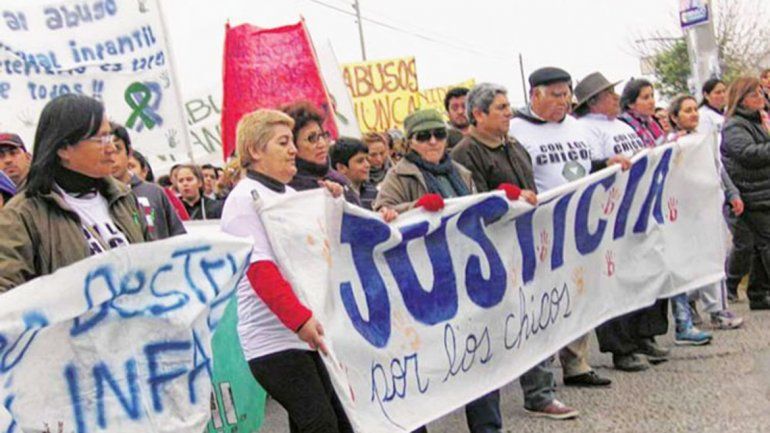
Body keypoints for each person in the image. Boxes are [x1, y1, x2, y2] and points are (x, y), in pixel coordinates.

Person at [220, 109, 394, 433]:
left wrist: (337, 206)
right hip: (273, 340)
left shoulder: (288, 195)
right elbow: (260, 270)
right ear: (256, 150)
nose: (293, 150)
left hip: (309, 332)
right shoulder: (243, 199)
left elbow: (321, 251)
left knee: (336, 421)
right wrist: (300, 320)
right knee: (321, 424)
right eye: (283, 142)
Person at [376, 108, 511, 433]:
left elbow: (478, 211)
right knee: (424, 365)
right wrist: (415, 208)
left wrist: (509, 201)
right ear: (410, 142)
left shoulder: (461, 173)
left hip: (466, 277)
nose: (433, 141)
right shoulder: (399, 176)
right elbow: (382, 214)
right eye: (424, 136)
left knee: (479, 356)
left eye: (438, 134)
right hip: (425, 285)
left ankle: (488, 429)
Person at [452, 83, 579, 420]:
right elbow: (472, 204)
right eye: (501, 108)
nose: (510, 113)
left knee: (535, 317)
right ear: (478, 115)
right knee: (499, 326)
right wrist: (508, 199)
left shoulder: (516, 146)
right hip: (492, 253)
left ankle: (540, 392)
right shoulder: (465, 154)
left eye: (509, 106)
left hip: (526, 247)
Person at [509, 67, 615, 388]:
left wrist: (607, 166)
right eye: (555, 94)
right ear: (534, 96)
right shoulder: (516, 130)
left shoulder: (578, 128)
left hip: (579, 222)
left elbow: (591, 166)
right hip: (540, 227)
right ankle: (541, 367)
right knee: (546, 295)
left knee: (579, 291)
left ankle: (576, 362)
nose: (564, 101)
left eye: (567, 93)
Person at [0, 94, 148, 291]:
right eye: (100, 139)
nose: (111, 148)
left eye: (110, 137)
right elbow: (8, 295)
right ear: (63, 149)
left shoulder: (124, 198)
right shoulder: (21, 215)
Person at [572, 72, 665, 371]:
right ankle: (621, 347)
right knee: (614, 279)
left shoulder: (621, 124)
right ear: (594, 102)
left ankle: (643, 334)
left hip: (637, 206)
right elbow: (591, 169)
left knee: (643, 271)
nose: (615, 97)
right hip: (611, 212)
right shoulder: (586, 129)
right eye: (609, 93)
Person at [666, 95, 744, 340]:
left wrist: (732, 193)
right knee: (689, 259)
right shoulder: (670, 144)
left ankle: (717, 309)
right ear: (674, 117)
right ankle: (688, 304)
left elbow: (718, 169)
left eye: (694, 110)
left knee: (714, 255)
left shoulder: (705, 140)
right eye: (686, 111)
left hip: (709, 207)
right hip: (684, 211)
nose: (693, 114)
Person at [721, 76, 770, 310]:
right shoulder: (734, 125)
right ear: (741, 100)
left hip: (763, 189)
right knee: (764, 243)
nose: (760, 97)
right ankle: (736, 287)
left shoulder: (759, 119)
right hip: (751, 192)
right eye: (755, 94)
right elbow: (748, 154)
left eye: (761, 92)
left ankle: (758, 294)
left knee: (760, 247)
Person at [110, 122, 186, 240]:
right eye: (105, 151)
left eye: (117, 149)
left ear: (129, 152)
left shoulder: (154, 192)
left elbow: (178, 235)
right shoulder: (96, 198)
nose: (111, 158)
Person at [282, 101, 359, 204]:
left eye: (323, 135)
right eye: (312, 138)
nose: (322, 144)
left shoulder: (338, 179)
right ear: (293, 145)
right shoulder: (289, 190)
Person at [574, 72, 646, 160]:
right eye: (609, 93)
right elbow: (597, 166)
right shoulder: (584, 128)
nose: (617, 97)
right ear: (592, 102)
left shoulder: (623, 125)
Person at [330, 137, 378, 210]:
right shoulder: (334, 195)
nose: (367, 165)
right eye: (360, 161)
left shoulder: (373, 191)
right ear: (341, 168)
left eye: (367, 159)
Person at [618, 79, 665, 148]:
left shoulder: (652, 122)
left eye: (652, 96)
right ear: (630, 103)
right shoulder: (624, 126)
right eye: (645, 98)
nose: (652, 101)